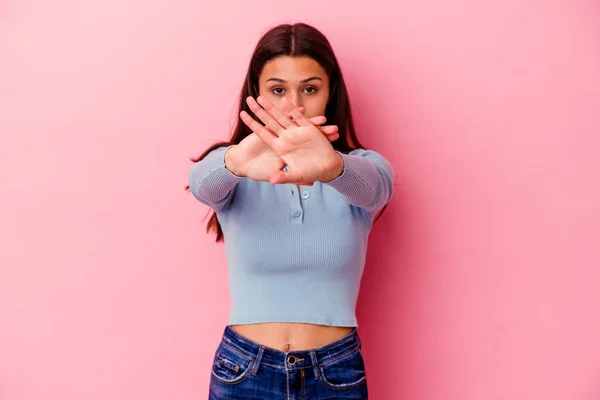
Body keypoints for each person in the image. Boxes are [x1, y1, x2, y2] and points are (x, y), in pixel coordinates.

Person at [187, 22, 395, 400]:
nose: (293, 106)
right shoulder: (237, 168)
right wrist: (237, 160)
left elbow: (377, 187)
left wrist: (330, 167)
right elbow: (201, 184)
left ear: (330, 95)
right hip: (243, 370)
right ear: (256, 93)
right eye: (278, 90)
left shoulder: (360, 169)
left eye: (310, 89)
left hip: (335, 372)